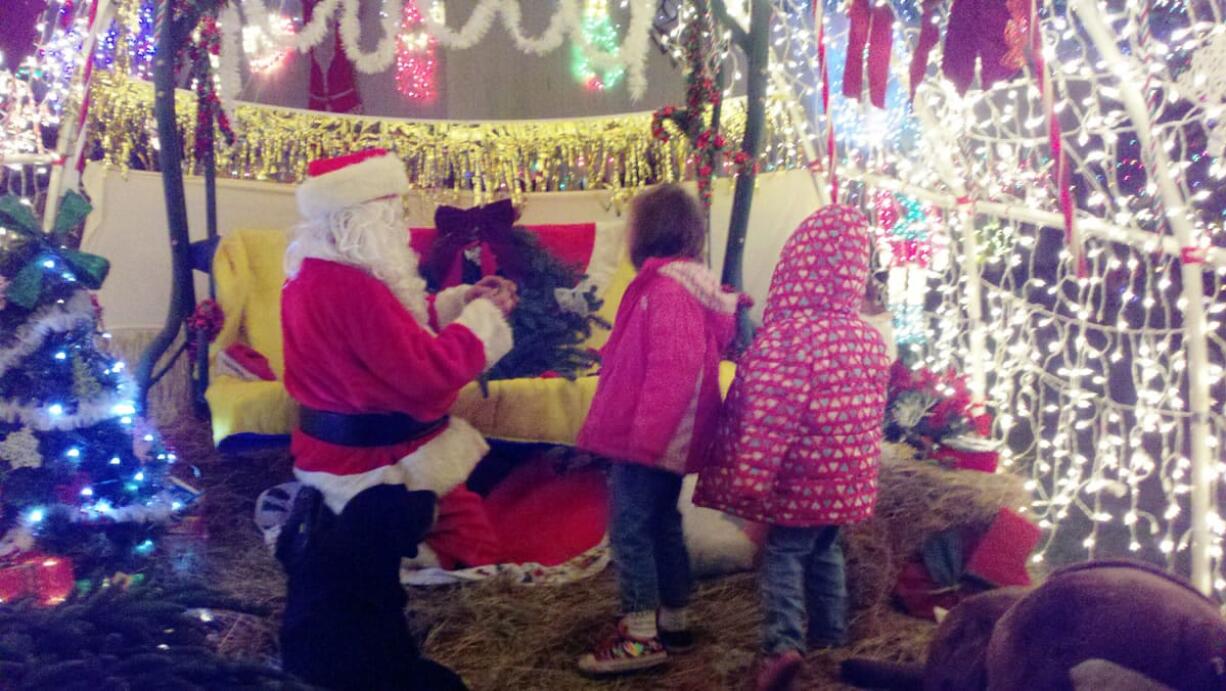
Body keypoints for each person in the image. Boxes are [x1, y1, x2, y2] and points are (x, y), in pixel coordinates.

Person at [277, 148, 518, 689]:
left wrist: (459, 302)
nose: (402, 227)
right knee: (471, 551)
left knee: (460, 539)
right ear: (361, 216)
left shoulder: (319, 271)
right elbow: (426, 373)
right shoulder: (351, 286)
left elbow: (393, 335)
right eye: (392, 213)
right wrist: (484, 318)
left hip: (339, 453)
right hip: (378, 462)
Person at [695, 205, 891, 691]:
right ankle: (833, 638)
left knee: (782, 554)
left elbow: (770, 415)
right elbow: (871, 416)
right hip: (845, 484)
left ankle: (782, 644)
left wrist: (751, 477)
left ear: (794, 269)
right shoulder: (867, 340)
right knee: (827, 551)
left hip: (797, 479)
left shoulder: (787, 337)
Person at [575, 184, 743, 675]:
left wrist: (647, 440)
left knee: (629, 530)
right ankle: (674, 618)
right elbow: (654, 358)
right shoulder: (671, 286)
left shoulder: (666, 290)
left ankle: (641, 635)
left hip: (648, 440)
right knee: (662, 523)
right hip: (659, 438)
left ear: (648, 232)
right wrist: (611, 360)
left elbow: (675, 368)